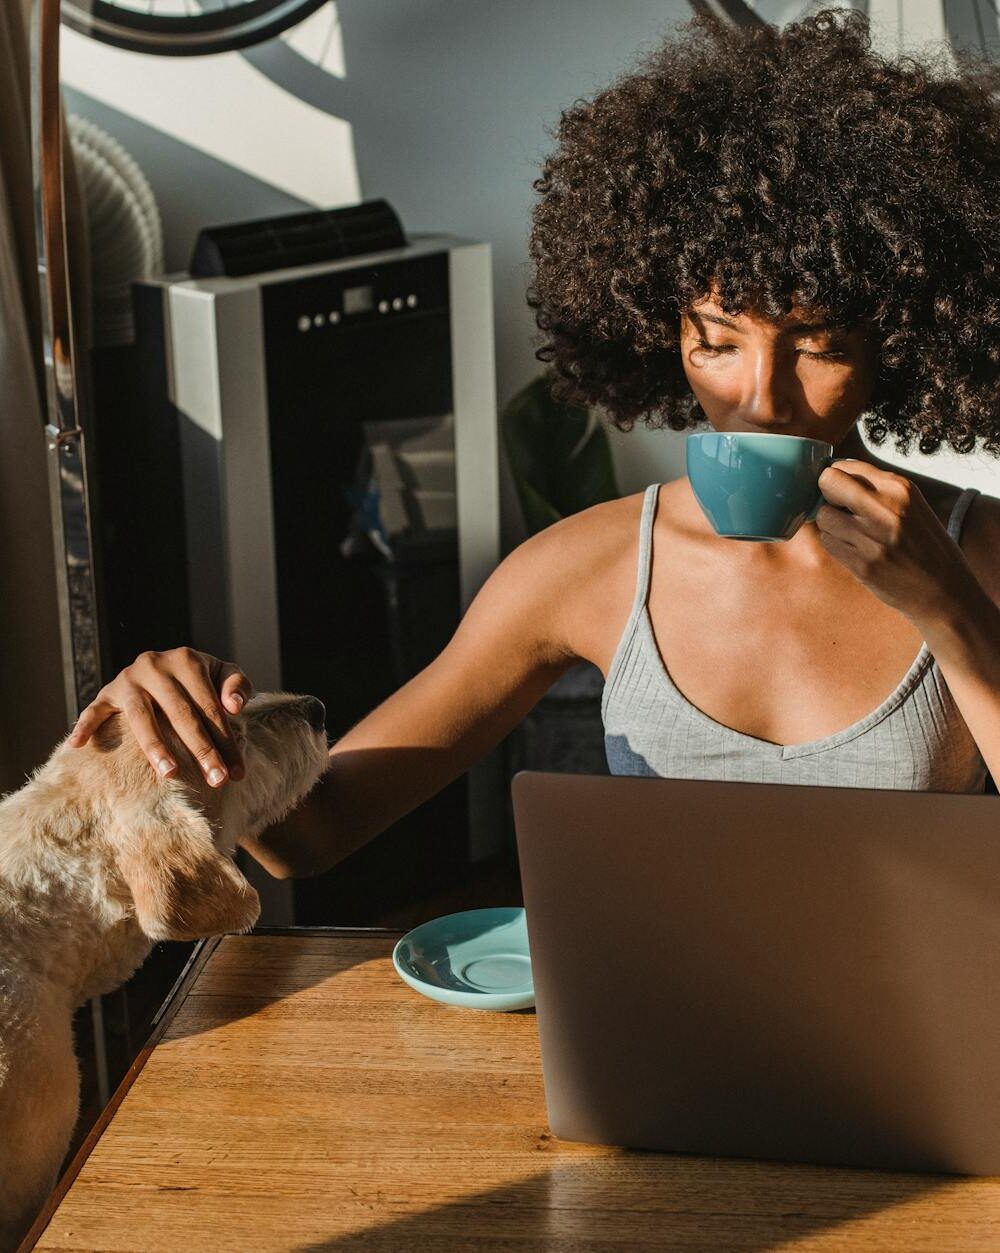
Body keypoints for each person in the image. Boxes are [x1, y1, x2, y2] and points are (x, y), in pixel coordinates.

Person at [70, 9, 1000, 877]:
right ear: (659, 327)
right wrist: (191, 728)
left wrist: (951, 611)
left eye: (822, 345)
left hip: (923, 1039)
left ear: (901, 339)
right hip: (663, 1029)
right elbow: (313, 834)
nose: (760, 395)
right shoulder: (587, 567)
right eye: (716, 342)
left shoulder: (974, 552)